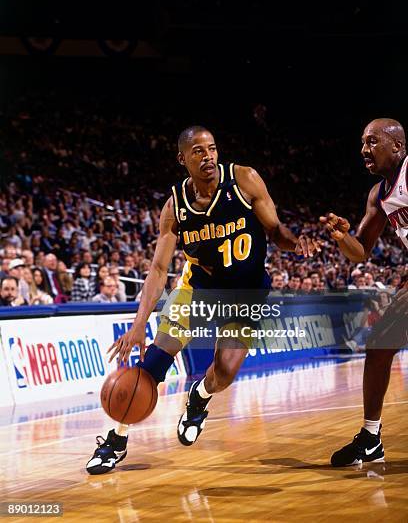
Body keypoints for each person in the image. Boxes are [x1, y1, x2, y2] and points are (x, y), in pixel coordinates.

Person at [86, 125, 320, 475]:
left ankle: (200, 397)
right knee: (154, 362)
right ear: (182, 158)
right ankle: (116, 439)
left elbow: (274, 230)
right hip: (198, 288)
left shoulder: (244, 179)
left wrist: (295, 242)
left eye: (211, 148)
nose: (207, 155)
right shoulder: (175, 207)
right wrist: (138, 326)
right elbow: (158, 268)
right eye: (197, 150)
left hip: (246, 291)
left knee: (224, 372)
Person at [320, 118, 408, 466]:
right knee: (380, 343)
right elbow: (361, 251)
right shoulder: (379, 195)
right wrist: (343, 237)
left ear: (397, 147)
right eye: (362, 142)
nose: (364, 150)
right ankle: (371, 437)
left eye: (372, 142)